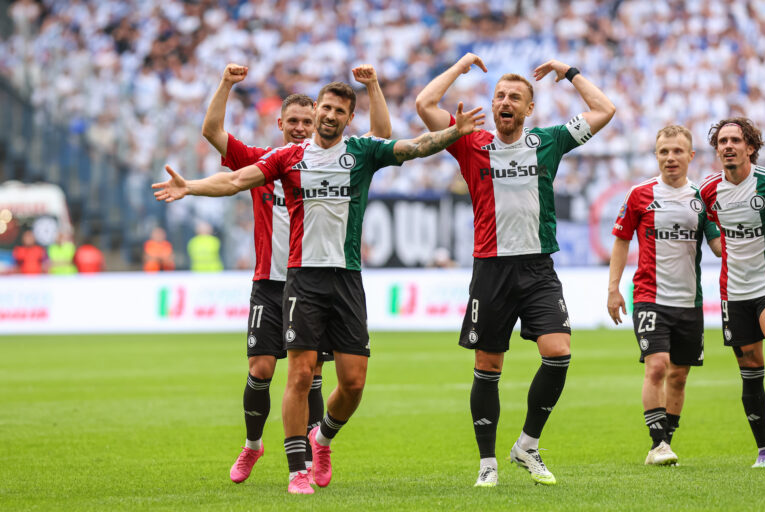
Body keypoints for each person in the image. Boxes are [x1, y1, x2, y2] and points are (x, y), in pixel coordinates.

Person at [153, 80, 484, 494]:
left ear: (347, 118)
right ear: (318, 112)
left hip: (346, 278)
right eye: (325, 108)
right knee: (300, 373)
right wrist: (192, 187)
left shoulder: (362, 153)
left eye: (338, 112)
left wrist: (455, 132)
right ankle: (297, 470)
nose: (329, 116)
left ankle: (322, 439)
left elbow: (414, 146)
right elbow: (236, 181)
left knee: (353, 383)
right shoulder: (286, 157)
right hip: (302, 279)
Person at [415, 53, 615, 486]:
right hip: (491, 268)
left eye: (515, 97)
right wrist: (458, 67)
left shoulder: (548, 141)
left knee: (558, 352)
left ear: (529, 109)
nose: (505, 101)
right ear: (493, 104)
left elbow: (604, 110)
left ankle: (527, 444)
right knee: (489, 365)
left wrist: (570, 73)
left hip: (538, 266)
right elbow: (424, 104)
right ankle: (487, 464)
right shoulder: (471, 140)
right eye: (500, 95)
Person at [199, 63, 392, 485]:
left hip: (315, 280)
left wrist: (373, 86)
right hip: (271, 283)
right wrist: (227, 84)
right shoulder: (267, 161)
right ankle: (253, 446)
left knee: (311, 373)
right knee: (262, 370)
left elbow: (381, 141)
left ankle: (311, 455)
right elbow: (213, 133)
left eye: (309, 120)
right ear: (281, 123)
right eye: (296, 121)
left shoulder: (332, 160)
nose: (303, 128)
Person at [607, 125, 721, 466]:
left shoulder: (702, 198)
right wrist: (613, 288)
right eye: (663, 152)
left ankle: (664, 444)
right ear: (656, 155)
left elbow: (718, 247)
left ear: (691, 156)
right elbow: (622, 239)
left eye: (677, 151)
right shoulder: (640, 194)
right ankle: (658, 443)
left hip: (690, 301)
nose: (670, 158)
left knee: (680, 375)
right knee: (656, 367)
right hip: (649, 297)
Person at [699, 117, 765, 468]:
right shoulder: (709, 190)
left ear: (750, 147)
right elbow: (704, 220)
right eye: (722, 141)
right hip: (733, 292)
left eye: (734, 140)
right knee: (751, 369)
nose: (727, 146)